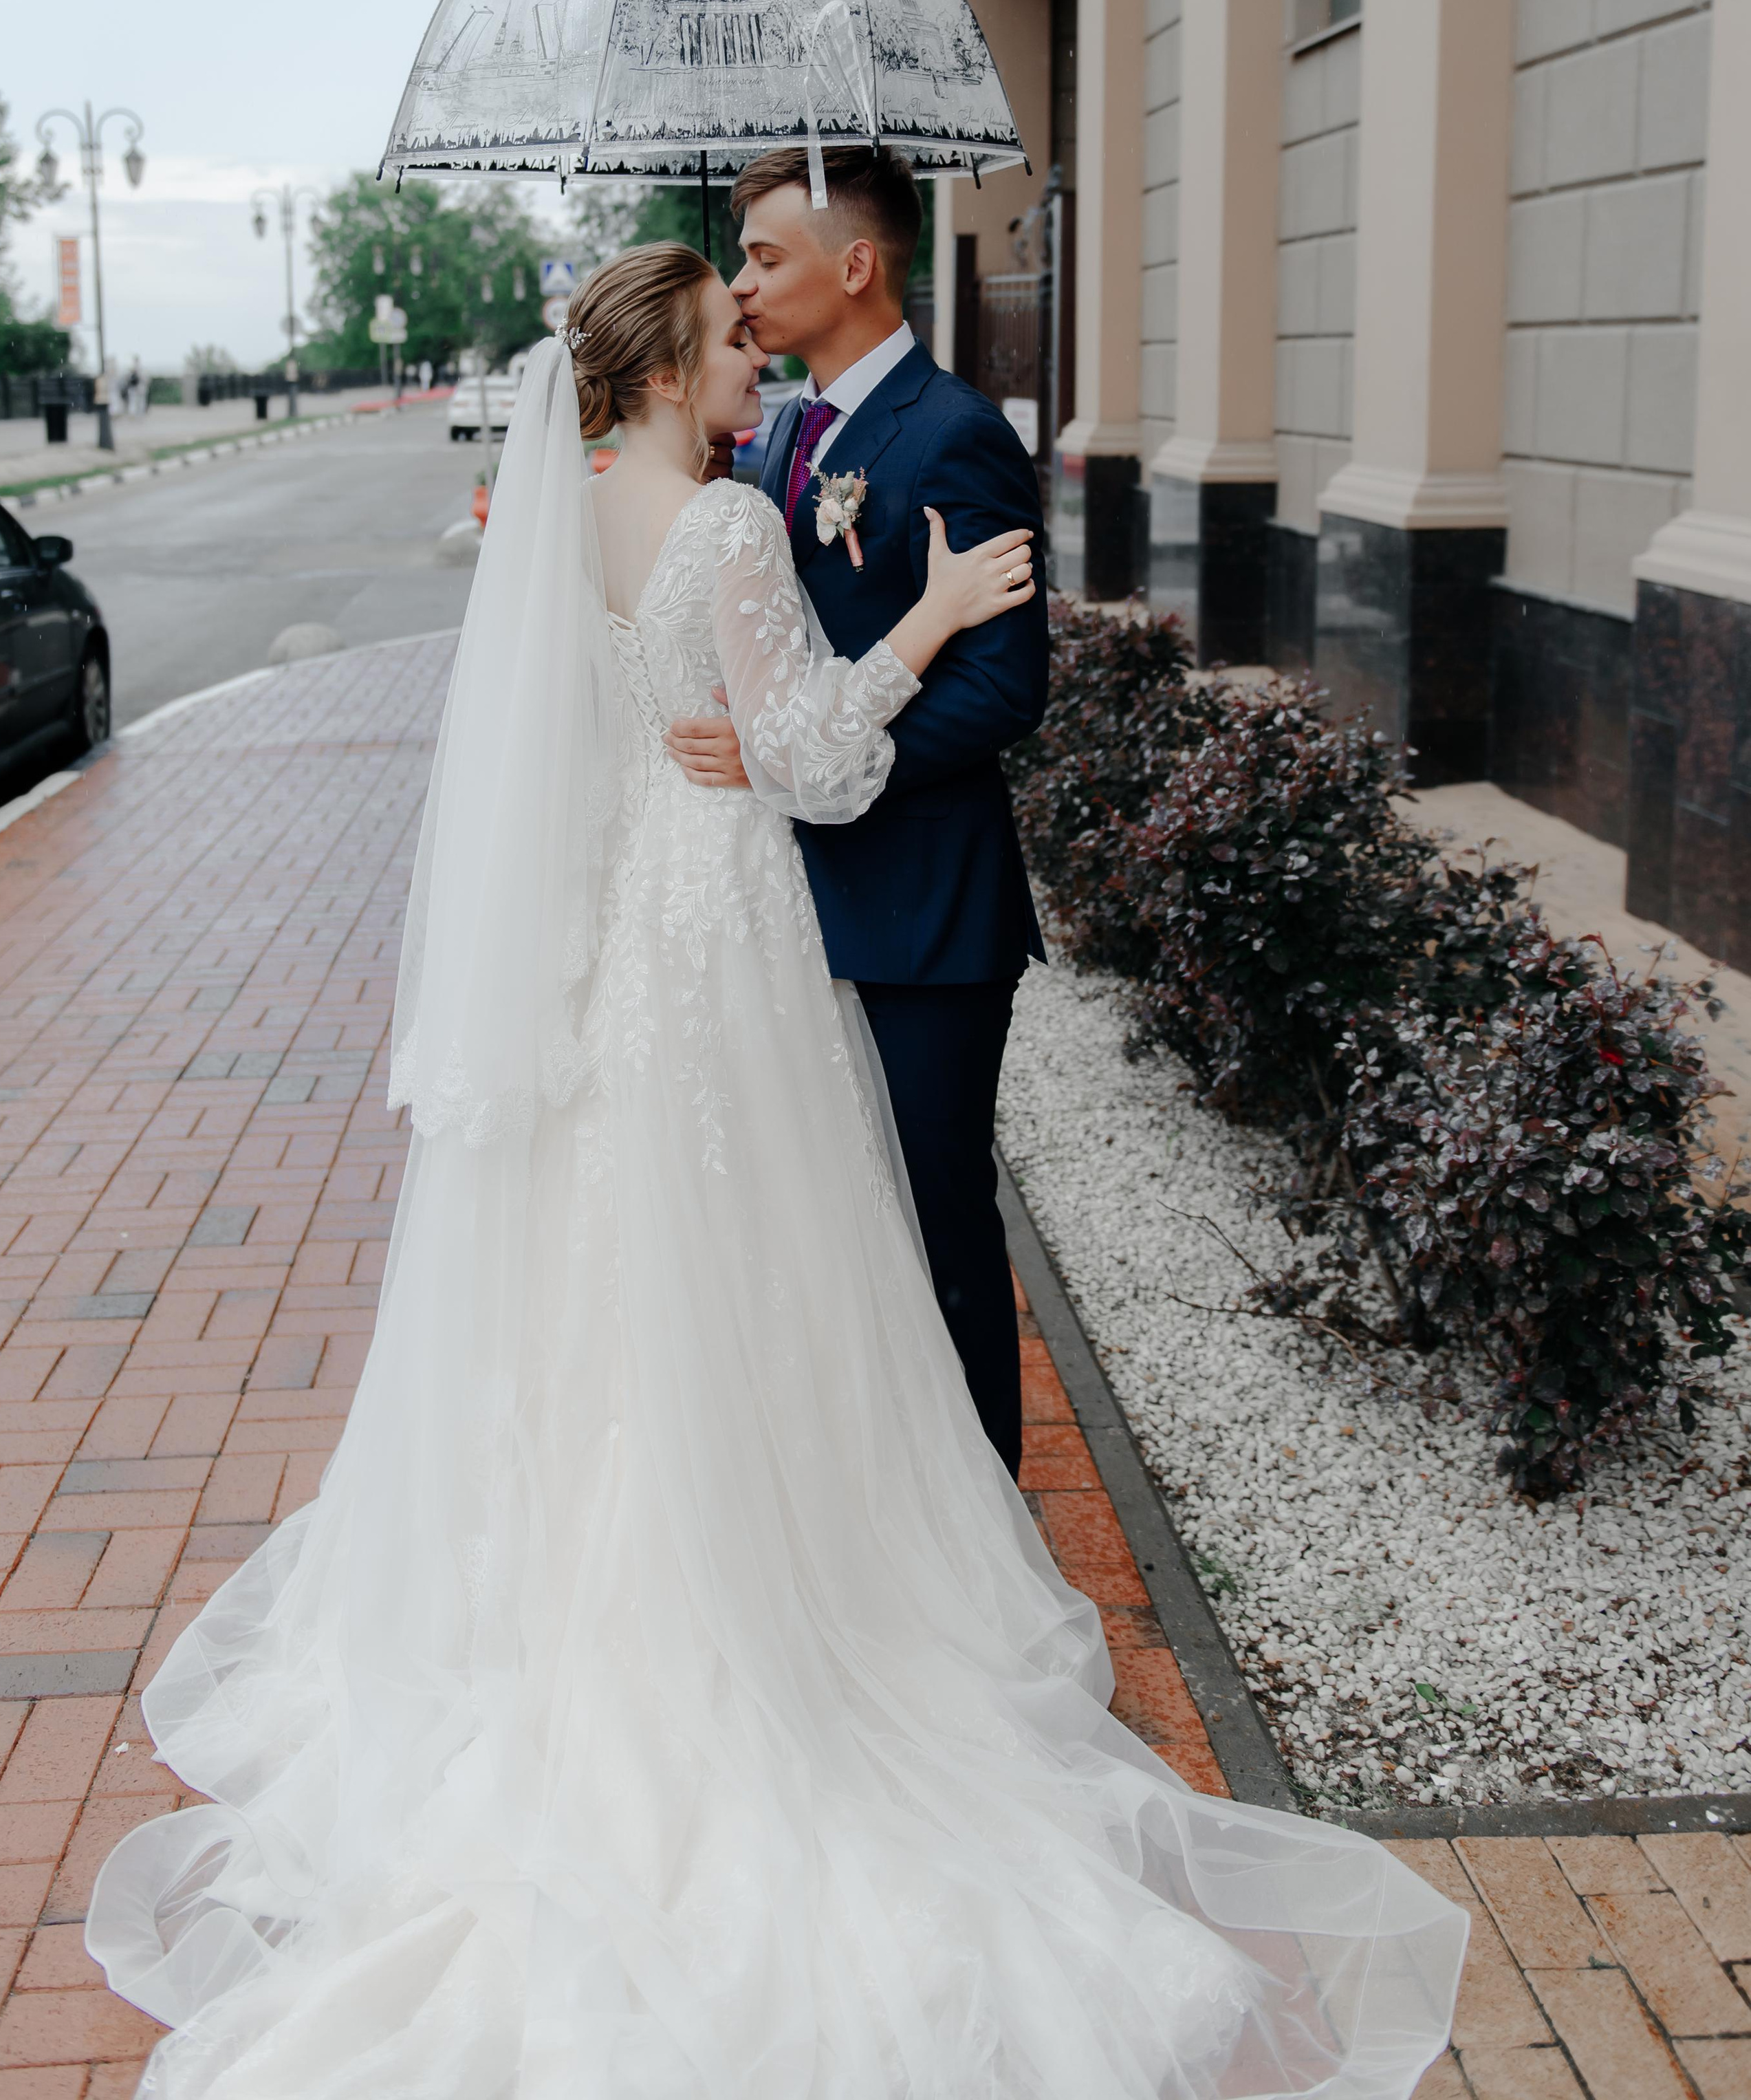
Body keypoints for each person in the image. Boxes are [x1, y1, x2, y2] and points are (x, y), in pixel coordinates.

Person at [85, 243, 1464, 2097]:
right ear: (665, 368)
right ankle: (763, 1615)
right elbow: (811, 762)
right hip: (722, 942)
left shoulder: (561, 529)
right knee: (768, 1267)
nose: (759, 357)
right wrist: (929, 609)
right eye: (735, 335)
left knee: (619, 1295)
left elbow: (586, 749)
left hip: (615, 963)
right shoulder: (727, 530)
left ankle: (588, 1618)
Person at [665, 147, 1045, 1480]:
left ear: (856, 265)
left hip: (922, 908)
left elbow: (1003, 690)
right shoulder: (772, 443)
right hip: (783, 898)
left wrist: (807, 769)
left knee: (936, 1223)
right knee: (831, 1227)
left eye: (765, 257)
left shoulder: (952, 436)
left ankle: (988, 1515)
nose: (745, 285)